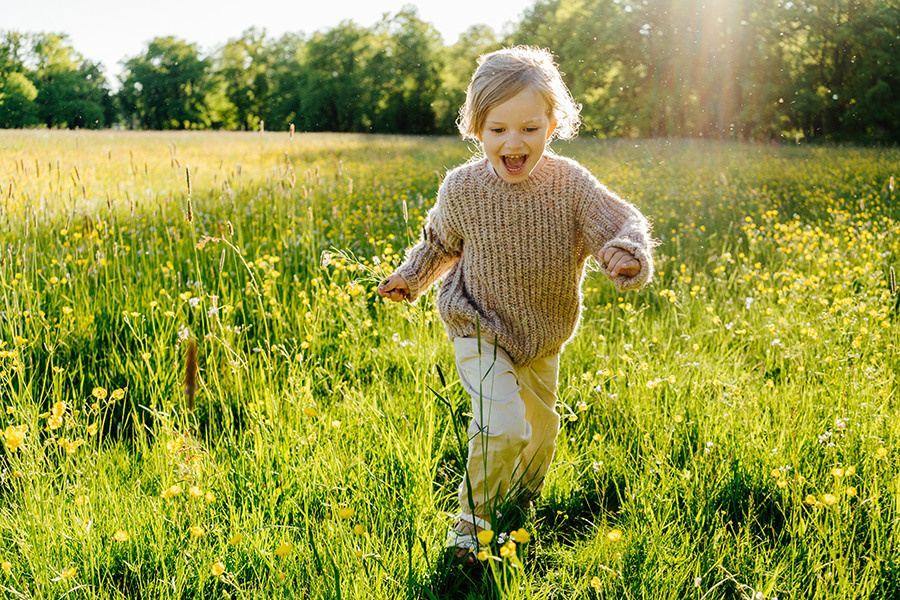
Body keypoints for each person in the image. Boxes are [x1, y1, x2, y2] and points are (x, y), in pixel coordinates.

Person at [376, 45, 655, 565]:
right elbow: (440, 245)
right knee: (502, 425)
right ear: (476, 128)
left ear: (553, 124)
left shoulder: (569, 184)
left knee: (540, 434)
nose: (513, 142)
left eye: (529, 128)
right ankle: (471, 527)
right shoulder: (462, 188)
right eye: (498, 129)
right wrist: (410, 279)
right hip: (477, 324)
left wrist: (625, 253)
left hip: (543, 334)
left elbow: (620, 223)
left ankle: (514, 511)